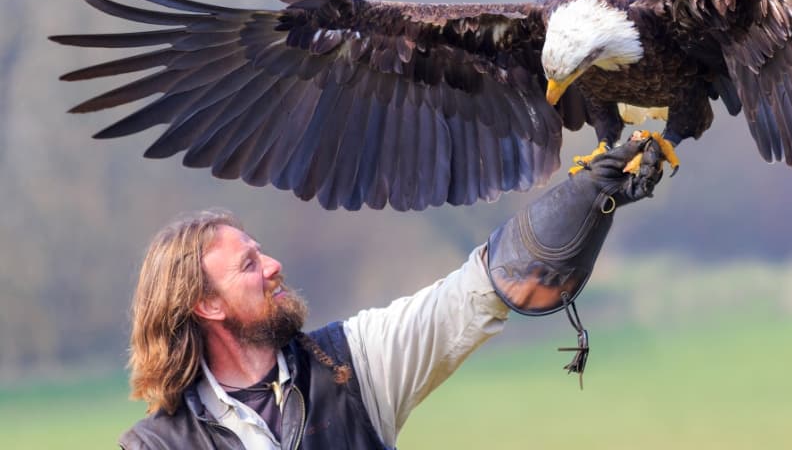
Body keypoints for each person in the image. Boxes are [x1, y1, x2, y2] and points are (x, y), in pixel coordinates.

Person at [119, 136, 666, 449]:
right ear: (207, 304)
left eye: (261, 251)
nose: (273, 265)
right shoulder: (157, 447)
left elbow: (468, 298)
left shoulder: (352, 364)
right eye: (248, 264)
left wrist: (585, 198)